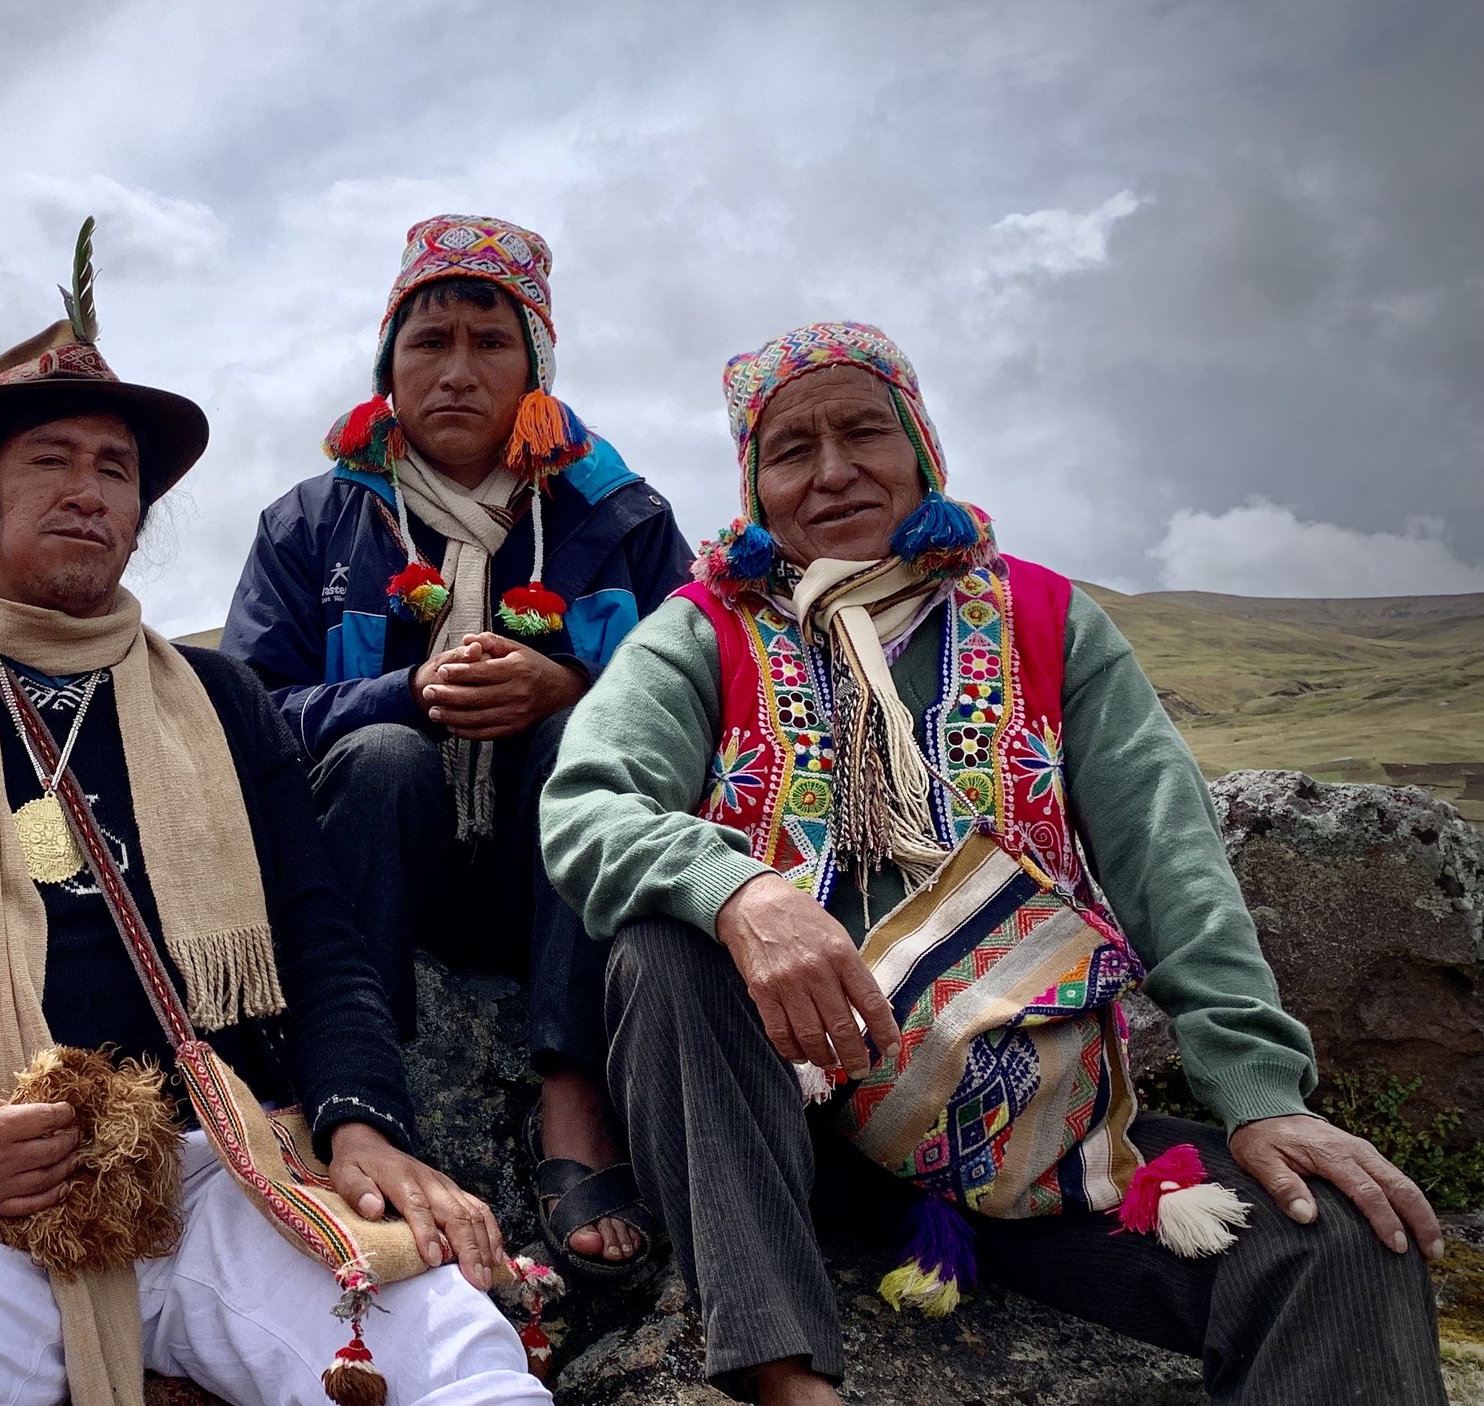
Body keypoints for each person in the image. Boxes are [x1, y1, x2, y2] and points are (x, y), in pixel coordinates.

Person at [541, 321, 1447, 1405]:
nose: (831, 471)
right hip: (781, 1144)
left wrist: (1260, 1094)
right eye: (791, 450)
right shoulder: (703, 632)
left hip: (1030, 1140)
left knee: (1337, 1238)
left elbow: (1170, 860)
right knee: (663, 947)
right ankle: (786, 1373)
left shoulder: (1047, 621)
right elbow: (586, 806)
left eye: (863, 432)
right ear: (754, 486)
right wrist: (740, 890)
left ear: (920, 445)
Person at [0, 223, 548, 1406]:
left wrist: (357, 1121)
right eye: (49, 461)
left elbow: (319, 940)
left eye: (116, 469)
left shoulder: (225, 701)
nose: (89, 491)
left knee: (454, 1361)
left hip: (216, 1165)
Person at [221, 214, 691, 1280]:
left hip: (549, 882)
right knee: (384, 754)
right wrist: (404, 695)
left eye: (491, 342)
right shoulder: (312, 523)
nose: (457, 371)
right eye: (428, 342)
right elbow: (246, 714)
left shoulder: (621, 520)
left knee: (582, 736)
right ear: (387, 368)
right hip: (377, 871)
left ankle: (575, 1097)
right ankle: (355, 1093)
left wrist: (572, 685)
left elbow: (703, 701)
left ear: (537, 370)